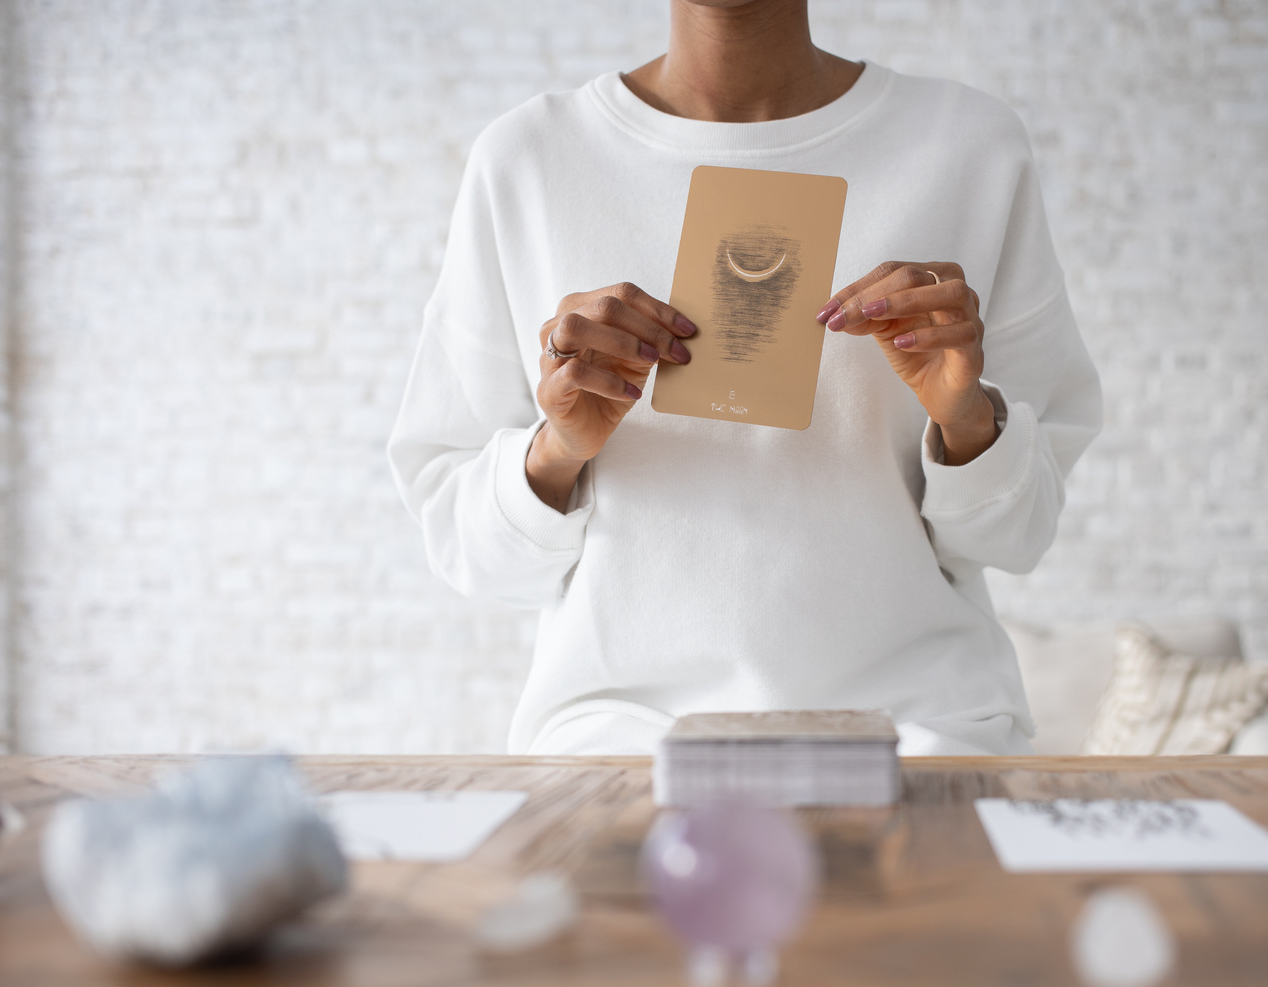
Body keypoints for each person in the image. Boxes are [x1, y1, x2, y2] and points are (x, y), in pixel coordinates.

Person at [388, 0, 1102, 755]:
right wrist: (556, 449)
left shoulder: (969, 149)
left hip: (924, 734)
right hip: (618, 744)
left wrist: (965, 419)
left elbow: (1024, 532)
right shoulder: (527, 161)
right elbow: (465, 544)